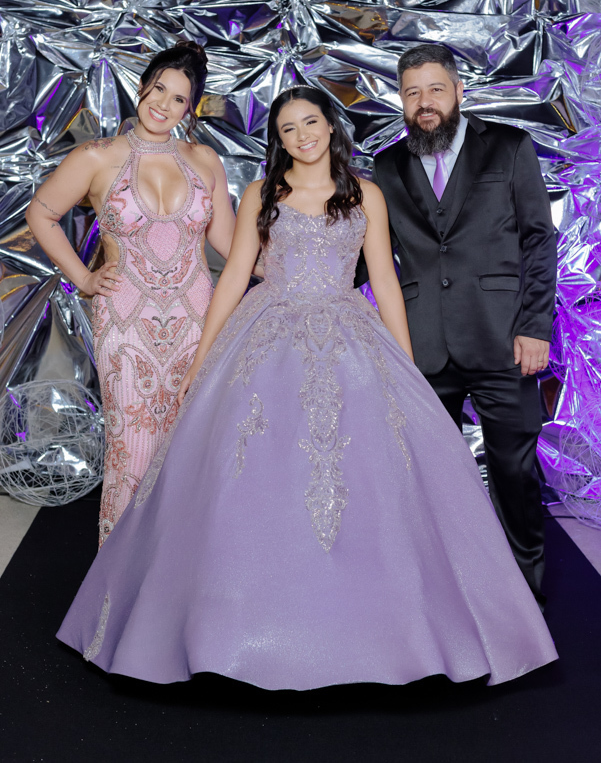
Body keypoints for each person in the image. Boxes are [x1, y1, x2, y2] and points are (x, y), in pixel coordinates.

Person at [57, 86, 557, 690]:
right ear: (279, 140)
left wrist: (405, 366)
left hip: (348, 337)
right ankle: (227, 625)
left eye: (311, 122)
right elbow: (234, 275)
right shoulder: (260, 193)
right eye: (288, 129)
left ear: (330, 126)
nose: (302, 136)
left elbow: (386, 282)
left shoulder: (365, 193)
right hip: (266, 333)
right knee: (249, 471)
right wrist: (201, 361)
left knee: (364, 477)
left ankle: (380, 628)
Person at [355, 44, 557, 607]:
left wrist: (535, 327)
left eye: (435, 90)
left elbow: (539, 240)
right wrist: (299, 277)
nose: (424, 103)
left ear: (459, 92)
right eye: (412, 92)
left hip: (503, 339)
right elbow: (372, 253)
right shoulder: (388, 166)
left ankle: (525, 596)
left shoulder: (510, 147)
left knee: (514, 473)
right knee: (425, 475)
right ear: (401, 99)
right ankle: (441, 593)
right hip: (420, 345)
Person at [26, 40, 237, 545]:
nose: (163, 104)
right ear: (142, 87)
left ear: (190, 109)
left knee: (189, 453)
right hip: (126, 324)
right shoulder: (97, 156)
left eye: (179, 98)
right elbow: (41, 213)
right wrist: (83, 279)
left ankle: (179, 577)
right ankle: (121, 582)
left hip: (196, 324)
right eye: (158, 89)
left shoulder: (205, 160)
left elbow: (232, 245)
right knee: (133, 452)